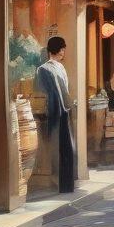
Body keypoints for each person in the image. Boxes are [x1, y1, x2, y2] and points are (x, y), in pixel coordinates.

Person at [35, 36, 76, 193]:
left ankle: (62, 184)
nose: (64, 51)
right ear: (59, 50)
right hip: (59, 112)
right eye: (63, 49)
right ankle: (64, 185)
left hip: (56, 112)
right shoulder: (52, 69)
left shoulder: (47, 69)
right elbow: (60, 92)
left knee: (60, 148)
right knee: (63, 148)